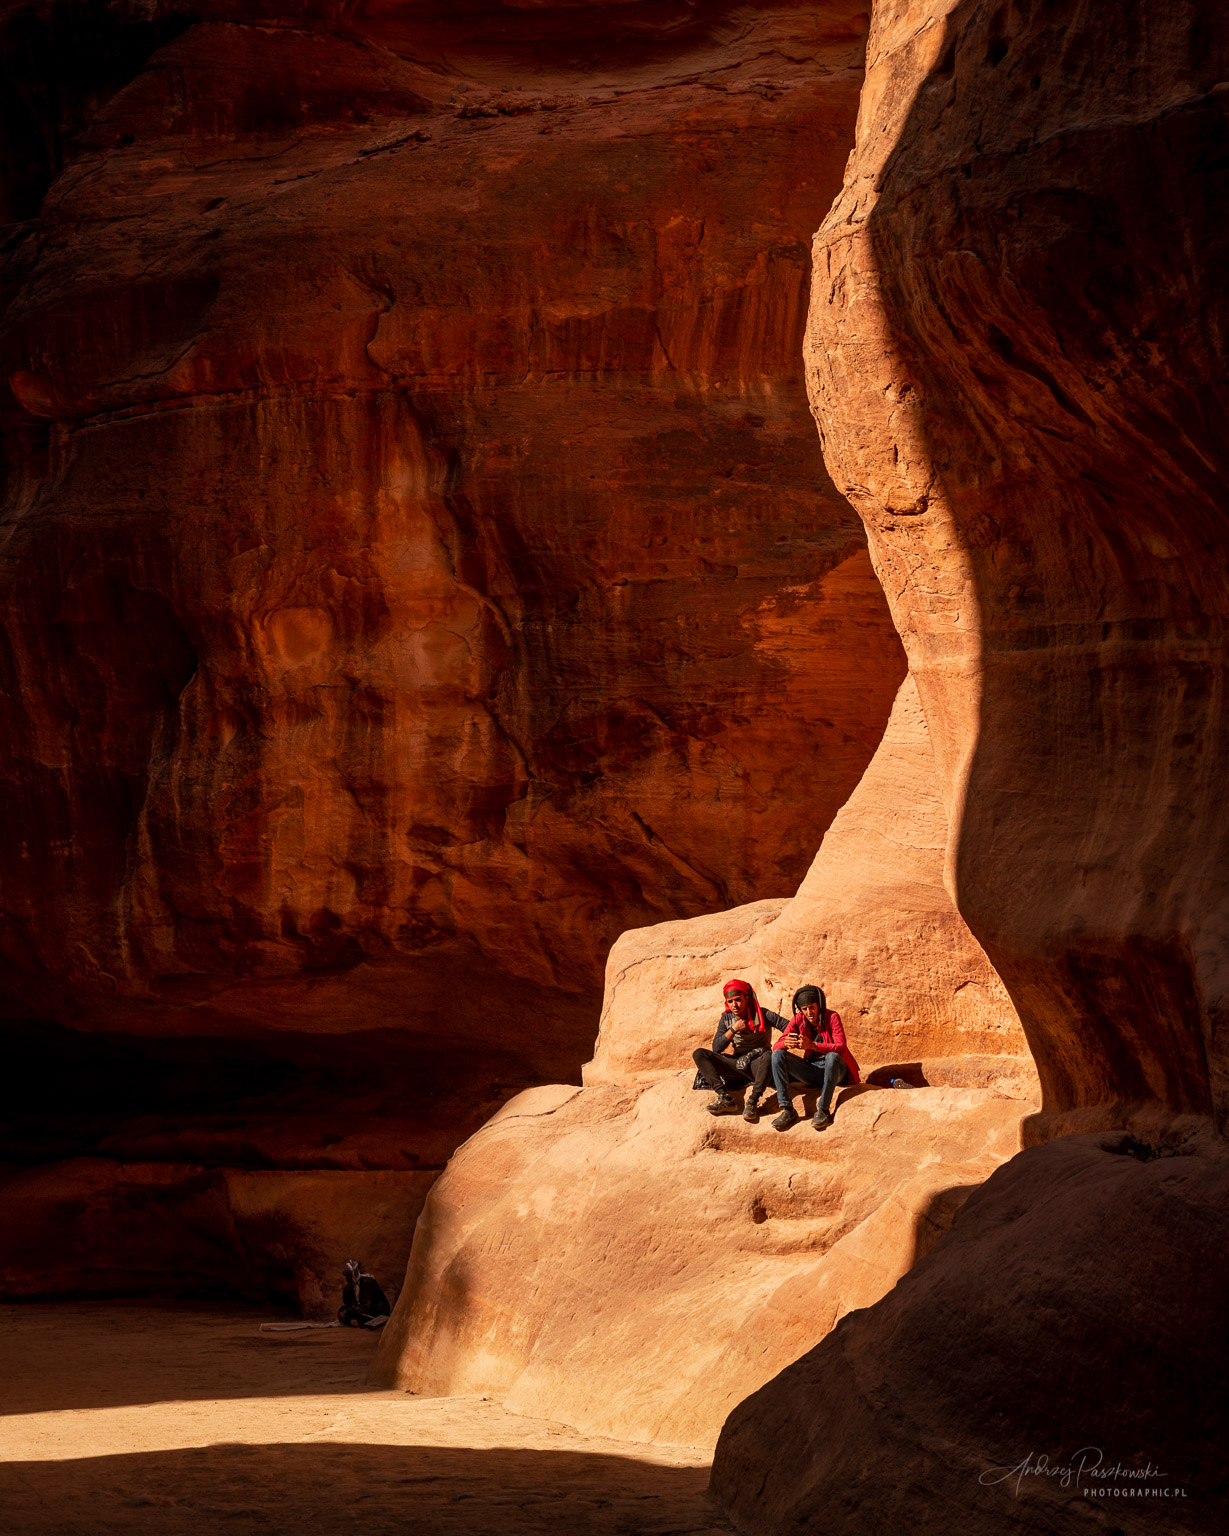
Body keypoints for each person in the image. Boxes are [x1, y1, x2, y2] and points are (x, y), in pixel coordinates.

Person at [769, 984, 860, 1131]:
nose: (809, 1012)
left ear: (819, 1005)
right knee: (778, 1055)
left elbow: (841, 1048)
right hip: (814, 1070)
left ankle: (823, 1110)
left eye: (812, 1007)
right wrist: (785, 1042)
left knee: (832, 1057)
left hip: (837, 1071)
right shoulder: (799, 1019)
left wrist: (813, 1046)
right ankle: (787, 1110)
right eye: (804, 1009)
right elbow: (777, 1046)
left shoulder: (832, 1017)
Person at [692, 979, 789, 1117]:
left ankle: (752, 1101)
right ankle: (724, 1097)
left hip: (758, 1065)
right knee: (699, 1054)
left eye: (737, 1000)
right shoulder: (726, 1018)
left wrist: (781, 1044)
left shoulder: (763, 1014)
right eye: (730, 1001)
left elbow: (788, 1026)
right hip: (737, 1064)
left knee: (769, 1055)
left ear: (746, 998)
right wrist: (733, 1029)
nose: (734, 1005)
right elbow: (716, 1047)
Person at [337, 1258, 391, 1328]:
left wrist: (346, 1312)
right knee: (342, 1309)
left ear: (354, 1274)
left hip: (378, 1311)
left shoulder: (367, 1282)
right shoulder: (355, 1284)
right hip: (364, 1309)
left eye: (348, 1276)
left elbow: (366, 1305)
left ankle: (355, 1321)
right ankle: (355, 1321)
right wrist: (347, 1291)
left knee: (356, 1312)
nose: (346, 1279)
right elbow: (348, 1303)